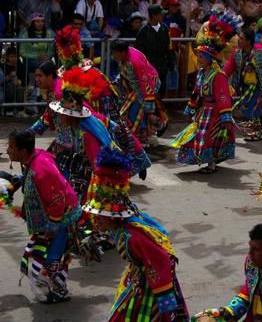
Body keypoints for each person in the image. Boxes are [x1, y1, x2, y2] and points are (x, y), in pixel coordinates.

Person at [82, 148, 189, 321]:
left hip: (151, 285)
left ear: (113, 217)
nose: (96, 219)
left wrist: (166, 302)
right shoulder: (118, 229)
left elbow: (162, 259)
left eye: (100, 215)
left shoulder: (134, 237)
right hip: (139, 277)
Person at [6, 130, 81, 303]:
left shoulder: (40, 171)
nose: (8, 151)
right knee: (49, 254)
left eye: (11, 147)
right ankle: (55, 285)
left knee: (52, 256)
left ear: (23, 151)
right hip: (54, 214)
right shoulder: (35, 157)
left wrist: (52, 228)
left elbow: (57, 201)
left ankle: (59, 291)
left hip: (61, 216)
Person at [173, 11, 237, 173]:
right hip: (203, 111)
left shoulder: (219, 75)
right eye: (199, 55)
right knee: (198, 136)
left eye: (201, 56)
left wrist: (225, 116)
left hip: (215, 112)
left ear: (210, 58)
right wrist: (191, 106)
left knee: (210, 137)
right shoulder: (202, 73)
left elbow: (223, 97)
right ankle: (208, 160)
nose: (198, 59)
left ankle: (211, 164)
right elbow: (196, 91)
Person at [111, 40, 168, 147]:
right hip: (136, 86)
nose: (113, 55)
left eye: (114, 53)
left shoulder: (135, 61)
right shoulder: (125, 55)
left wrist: (149, 101)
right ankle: (139, 136)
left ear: (122, 52)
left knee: (136, 112)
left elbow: (145, 81)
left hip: (147, 86)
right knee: (133, 110)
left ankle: (141, 139)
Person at [136, 4, 173, 98]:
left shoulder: (164, 28)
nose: (162, 16)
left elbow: (168, 47)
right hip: (149, 65)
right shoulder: (143, 31)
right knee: (150, 92)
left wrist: (171, 62)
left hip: (162, 65)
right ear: (153, 15)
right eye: (160, 14)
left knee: (161, 90)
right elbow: (139, 52)